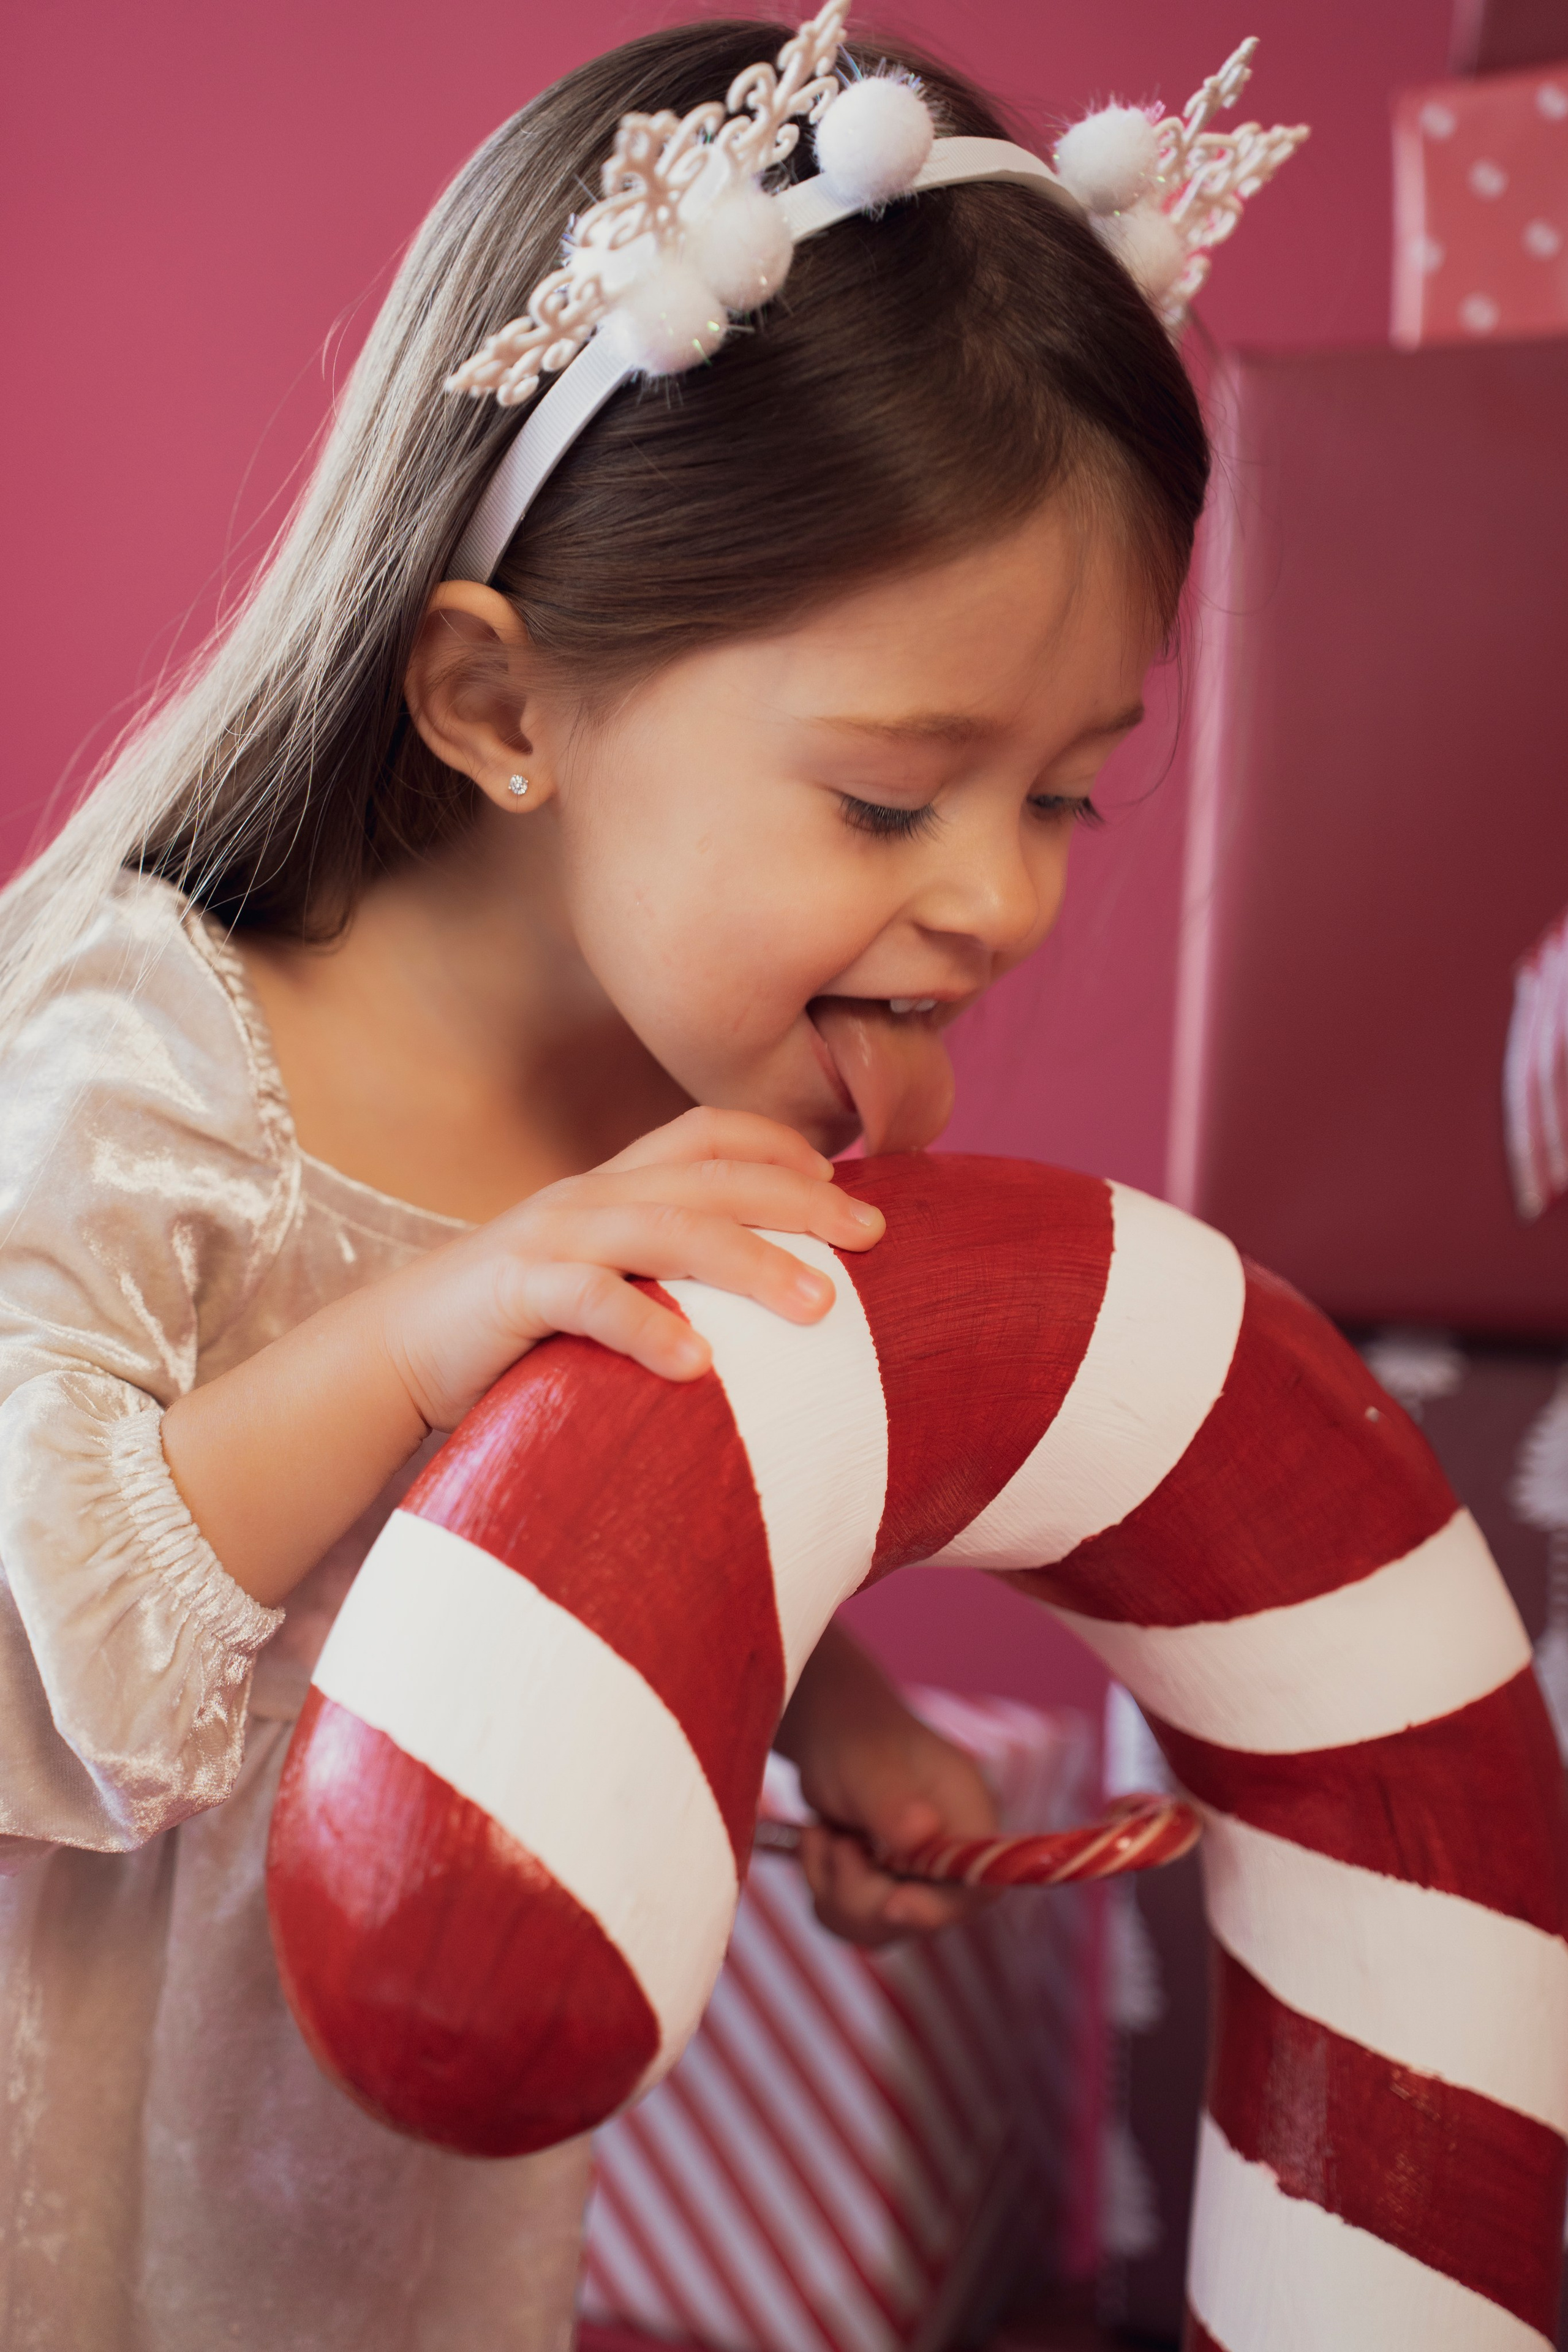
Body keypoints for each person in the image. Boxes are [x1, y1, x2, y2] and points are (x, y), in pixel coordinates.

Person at [0, 7, 1219, 2346]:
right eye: (892, 798)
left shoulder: (721, 1102)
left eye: (1062, 792)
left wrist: (828, 1707)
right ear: (499, 705)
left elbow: (610, 1498)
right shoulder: (154, 1059)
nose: (1005, 903)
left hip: (406, 2177)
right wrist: (413, 1338)